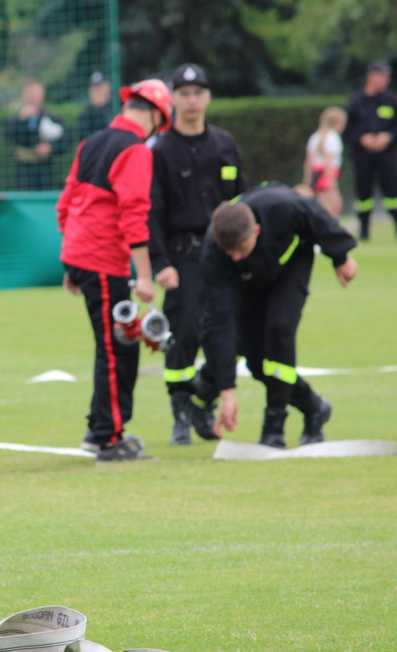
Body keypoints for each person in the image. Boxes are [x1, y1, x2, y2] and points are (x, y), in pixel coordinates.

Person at [57, 78, 172, 462]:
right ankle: (107, 438)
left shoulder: (91, 142)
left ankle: (101, 428)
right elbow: (133, 215)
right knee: (114, 349)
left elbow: (67, 202)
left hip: (85, 255)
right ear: (156, 114)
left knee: (114, 345)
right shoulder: (136, 150)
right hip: (103, 260)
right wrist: (143, 276)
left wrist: (72, 260)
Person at [201, 183, 358, 448]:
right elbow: (220, 323)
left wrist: (340, 256)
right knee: (258, 363)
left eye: (241, 248)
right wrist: (227, 391)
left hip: (290, 262)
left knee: (280, 329)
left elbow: (316, 216)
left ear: (257, 230)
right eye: (230, 253)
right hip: (251, 281)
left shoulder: (282, 206)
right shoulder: (215, 254)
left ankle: (274, 425)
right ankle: (314, 407)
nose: (236, 257)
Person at [149, 63, 247, 445]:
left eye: (198, 93)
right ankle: (180, 411)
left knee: (229, 332)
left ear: (208, 97)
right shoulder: (162, 150)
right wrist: (160, 263)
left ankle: (203, 401)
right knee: (184, 334)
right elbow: (152, 211)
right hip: (183, 257)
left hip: (224, 255)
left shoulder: (224, 144)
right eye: (184, 93)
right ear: (173, 98)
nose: (191, 100)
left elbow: (241, 202)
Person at [344, 61, 397, 241]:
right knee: (363, 194)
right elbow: (347, 129)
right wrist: (361, 138)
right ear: (371, 77)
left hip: (387, 155)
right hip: (362, 156)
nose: (386, 81)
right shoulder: (356, 102)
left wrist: (388, 137)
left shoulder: (393, 101)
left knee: (393, 192)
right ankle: (364, 232)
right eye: (382, 77)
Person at [6, 79, 71, 190]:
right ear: (24, 94)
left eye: (36, 91)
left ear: (42, 93)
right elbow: (8, 136)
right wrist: (21, 119)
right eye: (29, 91)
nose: (32, 95)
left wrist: (50, 148)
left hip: (46, 170)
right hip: (24, 170)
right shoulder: (16, 118)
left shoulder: (51, 116)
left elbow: (67, 138)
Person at [301, 106, 347, 218]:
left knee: (323, 205)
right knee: (333, 205)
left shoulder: (315, 136)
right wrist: (332, 182)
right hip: (326, 175)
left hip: (317, 174)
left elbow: (308, 161)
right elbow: (328, 161)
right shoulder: (333, 137)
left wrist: (307, 180)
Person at [74, 71, 114, 141]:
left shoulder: (116, 109)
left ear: (108, 88)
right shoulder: (85, 116)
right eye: (95, 88)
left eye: (101, 88)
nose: (98, 92)